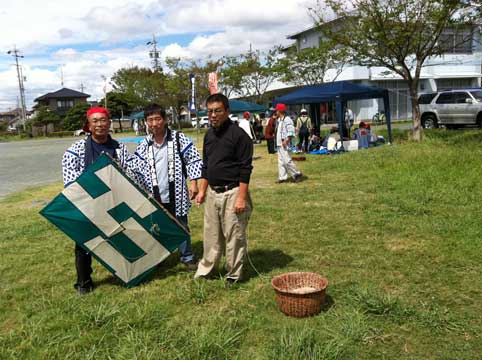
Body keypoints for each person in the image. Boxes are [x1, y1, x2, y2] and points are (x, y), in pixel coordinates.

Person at [62, 106, 133, 295]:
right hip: (88, 204)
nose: (100, 124)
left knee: (120, 239)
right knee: (84, 244)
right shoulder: (75, 150)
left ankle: (124, 274)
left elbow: (130, 175)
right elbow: (71, 181)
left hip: (115, 203)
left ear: (109, 123)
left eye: (103, 120)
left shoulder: (120, 148)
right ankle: (84, 281)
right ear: (88, 125)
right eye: (95, 121)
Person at [130, 104, 203, 270]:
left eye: (157, 119)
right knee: (156, 227)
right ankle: (159, 257)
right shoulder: (144, 144)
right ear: (146, 122)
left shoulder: (178, 139)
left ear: (165, 120)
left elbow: (193, 159)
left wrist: (194, 183)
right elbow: (135, 167)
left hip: (176, 192)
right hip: (153, 193)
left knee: (181, 224)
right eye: (150, 120)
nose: (154, 123)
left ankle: (187, 256)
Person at [194, 93, 253, 284]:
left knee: (234, 235)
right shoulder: (209, 135)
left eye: (217, 111)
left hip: (233, 191)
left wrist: (241, 198)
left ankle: (234, 274)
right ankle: (206, 270)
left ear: (227, 111)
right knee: (211, 235)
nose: (213, 115)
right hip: (213, 192)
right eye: (210, 111)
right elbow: (206, 165)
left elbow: (245, 169)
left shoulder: (239, 136)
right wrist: (202, 191)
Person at [274, 103, 306, 183]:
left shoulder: (287, 119)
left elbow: (291, 131)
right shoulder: (279, 120)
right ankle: (282, 177)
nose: (276, 112)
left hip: (285, 143)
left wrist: (287, 140)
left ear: (280, 111)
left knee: (287, 160)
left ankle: (297, 174)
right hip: (279, 143)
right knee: (281, 161)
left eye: (277, 110)